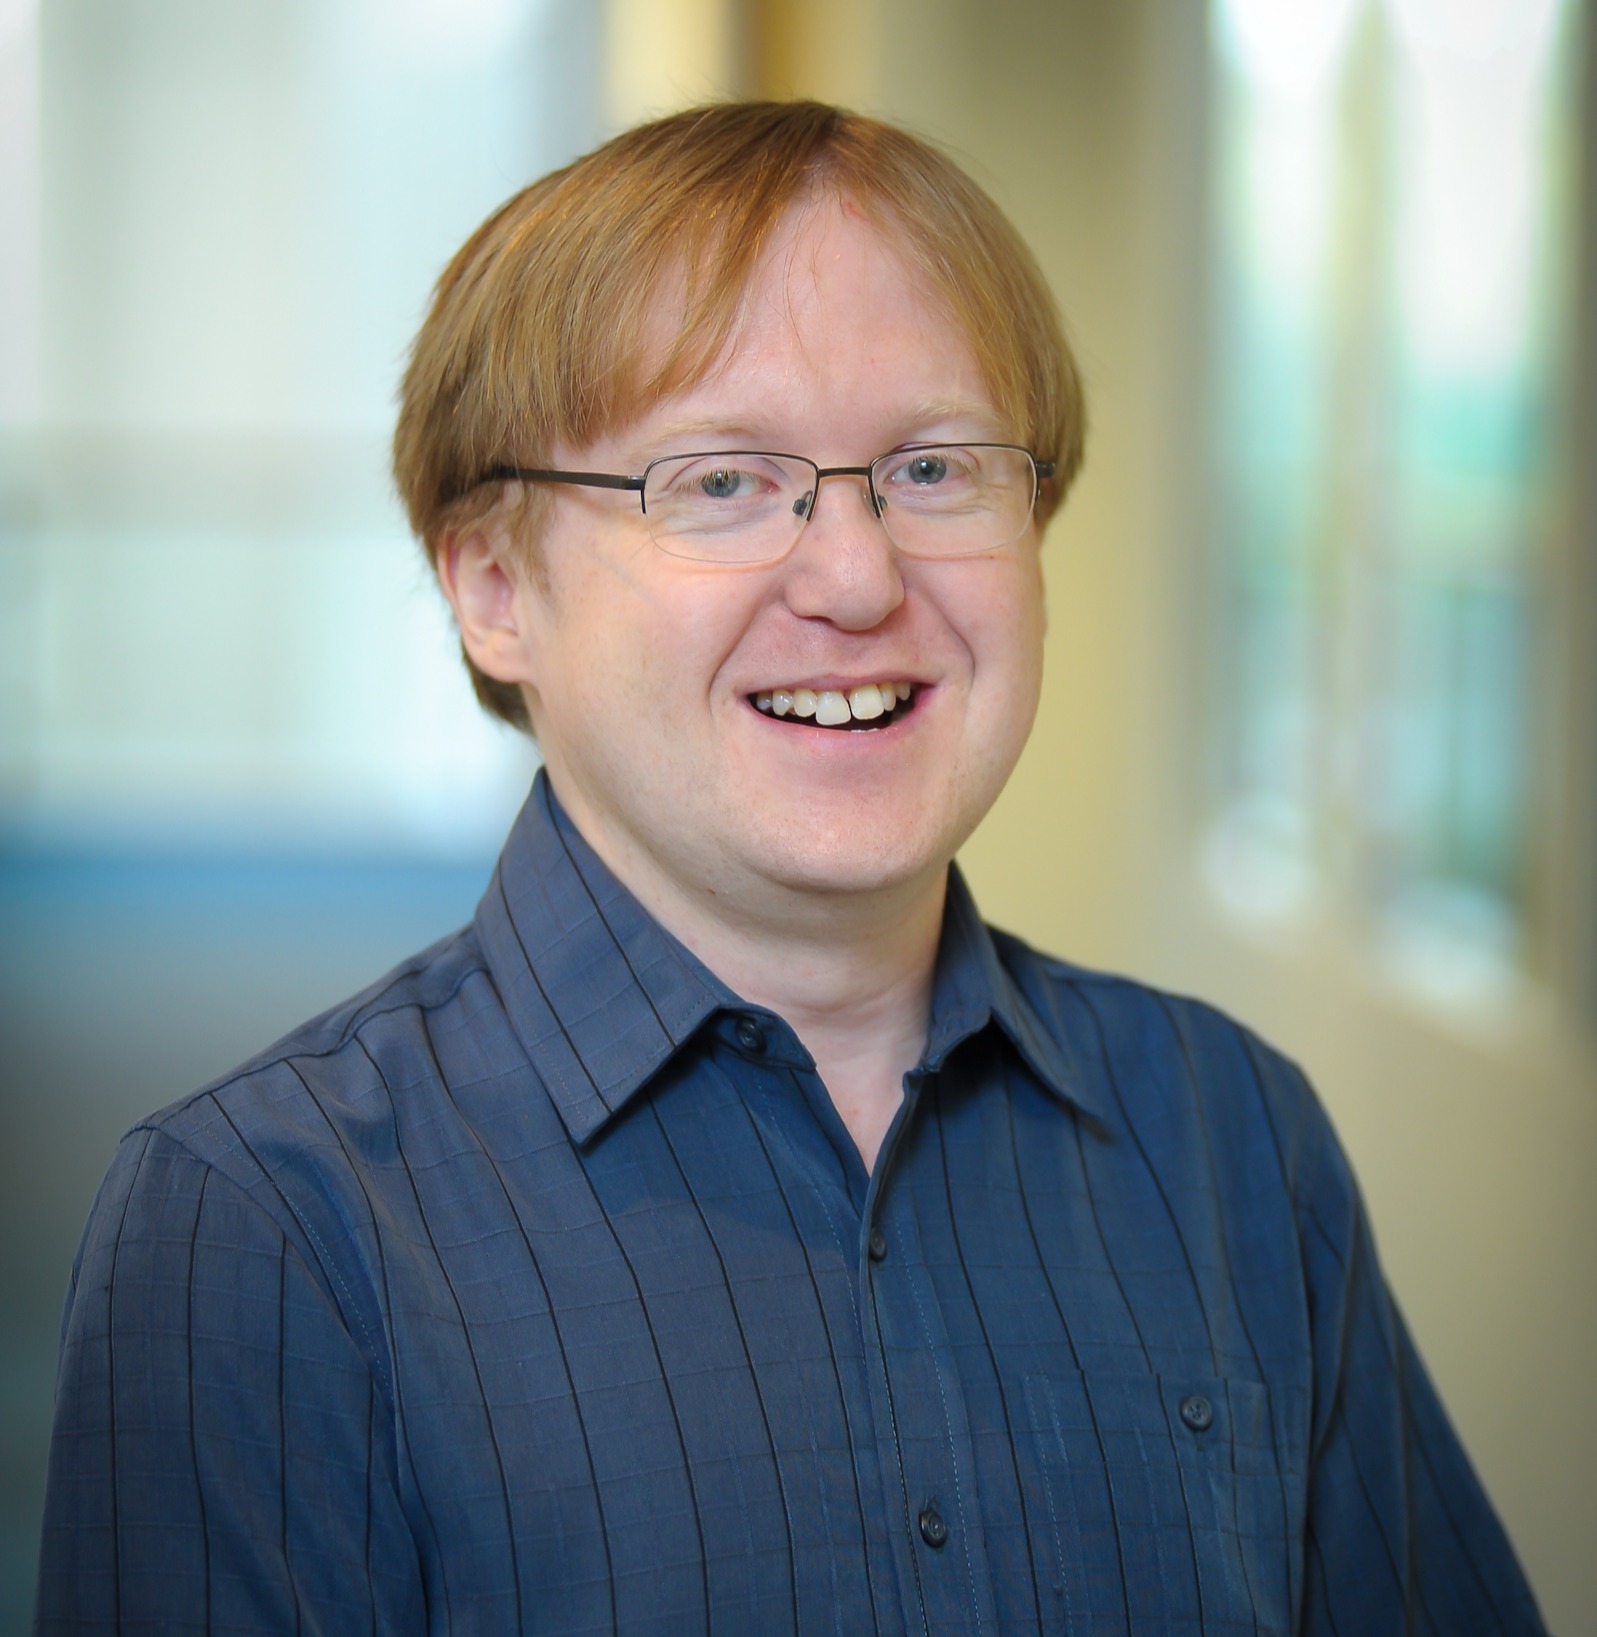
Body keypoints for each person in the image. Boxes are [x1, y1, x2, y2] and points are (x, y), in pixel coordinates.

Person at [34, 101, 1544, 1636]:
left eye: (935, 469)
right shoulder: (264, 1229)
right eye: (719, 482)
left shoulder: (1229, 1139)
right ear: (495, 588)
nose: (854, 575)